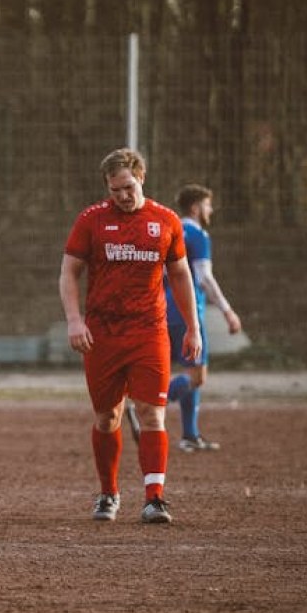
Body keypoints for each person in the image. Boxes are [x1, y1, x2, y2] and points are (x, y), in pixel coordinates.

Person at [59, 148, 202, 525]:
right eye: (114, 189)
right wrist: (75, 320)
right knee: (107, 417)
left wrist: (193, 327)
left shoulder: (166, 221)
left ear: (142, 178)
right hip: (102, 335)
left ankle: (155, 498)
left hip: (149, 331)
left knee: (151, 413)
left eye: (128, 187)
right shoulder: (91, 220)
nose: (122, 195)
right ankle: (108, 493)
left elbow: (181, 275)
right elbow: (69, 272)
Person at [165, 184, 243, 452]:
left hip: (160, 310)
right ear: (196, 208)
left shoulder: (169, 229)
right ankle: (147, 405)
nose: (210, 210)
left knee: (189, 372)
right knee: (197, 377)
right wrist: (227, 311)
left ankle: (190, 434)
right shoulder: (198, 234)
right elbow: (204, 278)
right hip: (188, 312)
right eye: (208, 205)